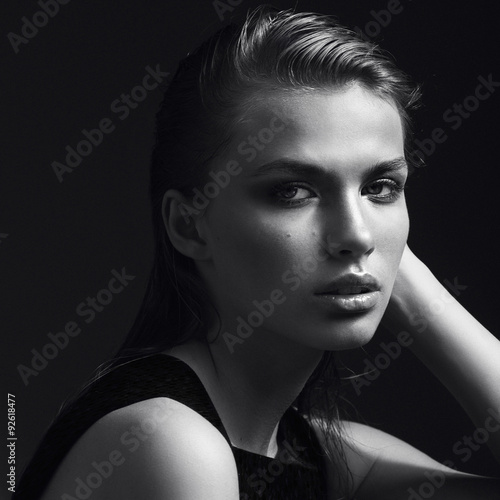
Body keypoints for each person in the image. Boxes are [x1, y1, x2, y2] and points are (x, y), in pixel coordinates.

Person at [14, 6, 500, 499]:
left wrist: (410, 289)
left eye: (379, 187)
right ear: (190, 226)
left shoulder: (320, 455)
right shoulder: (169, 443)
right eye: (292, 191)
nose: (356, 234)